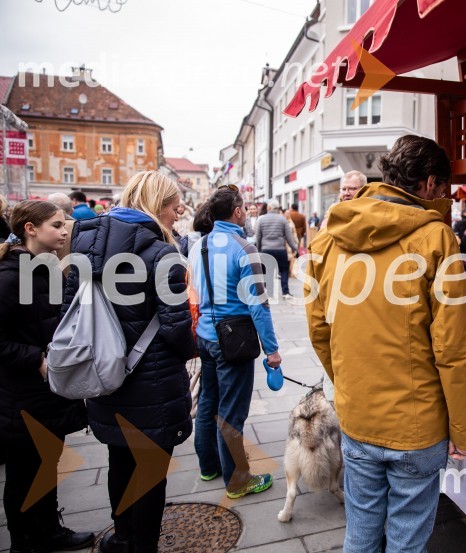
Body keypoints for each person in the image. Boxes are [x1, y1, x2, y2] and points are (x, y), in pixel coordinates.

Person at [305, 134, 466, 553]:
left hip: (359, 414)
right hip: (416, 424)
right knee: (407, 538)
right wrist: (463, 430)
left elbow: (318, 327)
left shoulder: (331, 237)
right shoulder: (437, 239)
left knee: (361, 530)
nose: (445, 197)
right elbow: (453, 347)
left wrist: (347, 382)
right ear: (430, 184)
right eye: (444, 189)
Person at [63, 171, 195, 553]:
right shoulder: (162, 254)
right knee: (151, 471)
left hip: (102, 374)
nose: (178, 212)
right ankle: (143, 546)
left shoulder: (85, 241)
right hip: (151, 382)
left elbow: (67, 308)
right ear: (157, 206)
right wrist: (197, 349)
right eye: (173, 206)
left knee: (119, 459)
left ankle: (121, 539)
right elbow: (176, 329)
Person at [0, 201, 93, 553]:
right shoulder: (11, 276)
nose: (65, 231)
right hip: (22, 396)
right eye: (56, 225)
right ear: (30, 228)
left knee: (46, 464)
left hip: (46, 392)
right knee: (24, 475)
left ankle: (50, 531)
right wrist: (34, 358)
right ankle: (24, 542)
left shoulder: (46, 268)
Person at [191, 187, 281, 500]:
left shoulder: (200, 244)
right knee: (231, 412)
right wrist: (272, 350)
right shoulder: (243, 248)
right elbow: (258, 304)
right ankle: (237, 479)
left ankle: (209, 465)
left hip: (205, 335)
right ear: (239, 211)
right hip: (234, 340)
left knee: (208, 403)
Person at [255, 202, 299, 299]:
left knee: (267, 270)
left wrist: (259, 249)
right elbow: (289, 237)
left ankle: (269, 292)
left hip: (266, 249)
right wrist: (295, 249)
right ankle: (285, 292)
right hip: (280, 249)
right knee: (284, 270)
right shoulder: (283, 219)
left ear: (269, 207)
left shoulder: (261, 219)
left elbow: (258, 236)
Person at [46, 193, 74, 266]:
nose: (65, 232)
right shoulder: (82, 228)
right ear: (72, 211)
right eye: (57, 226)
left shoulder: (42, 228)